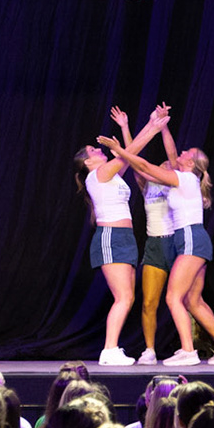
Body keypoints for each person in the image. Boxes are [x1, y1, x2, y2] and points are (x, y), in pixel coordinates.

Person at [99, 117, 214, 368]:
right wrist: (163, 128)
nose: (178, 154)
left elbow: (146, 166)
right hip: (187, 241)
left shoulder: (183, 179)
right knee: (192, 300)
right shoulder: (183, 178)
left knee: (173, 296)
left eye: (186, 153)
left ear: (191, 163)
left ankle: (188, 351)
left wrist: (119, 151)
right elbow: (165, 158)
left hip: (189, 239)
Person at [77, 111, 167, 367]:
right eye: (92, 149)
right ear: (87, 162)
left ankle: (112, 348)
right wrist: (149, 128)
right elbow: (130, 150)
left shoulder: (111, 174)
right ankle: (109, 349)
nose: (97, 149)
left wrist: (152, 125)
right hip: (111, 237)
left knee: (127, 297)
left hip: (125, 238)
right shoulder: (99, 174)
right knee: (124, 297)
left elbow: (132, 154)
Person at [112, 106, 177, 366]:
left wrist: (163, 128)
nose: (162, 165)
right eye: (158, 164)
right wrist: (126, 127)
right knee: (149, 301)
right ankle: (149, 349)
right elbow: (132, 158)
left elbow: (172, 157)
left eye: (165, 165)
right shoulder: (147, 185)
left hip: (177, 243)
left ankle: (199, 347)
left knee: (186, 300)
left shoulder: (175, 180)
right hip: (155, 245)